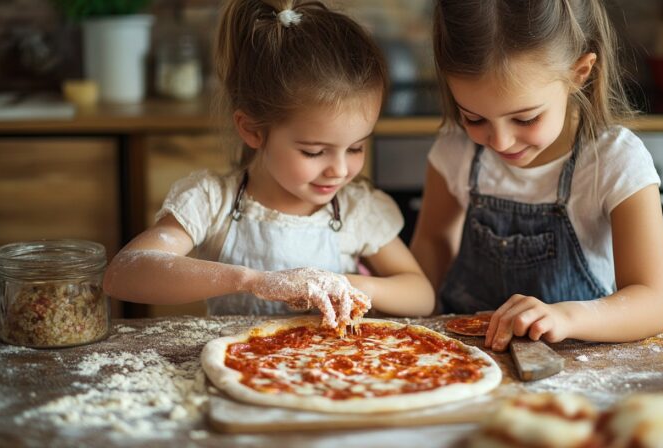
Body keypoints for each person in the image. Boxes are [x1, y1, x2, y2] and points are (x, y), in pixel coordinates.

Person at [104, 0, 434, 329]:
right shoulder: (213, 201)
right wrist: (252, 281)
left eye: (356, 147)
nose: (340, 169)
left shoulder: (355, 210)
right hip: (239, 364)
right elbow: (124, 274)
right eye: (314, 152)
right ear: (253, 130)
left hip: (331, 372)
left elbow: (421, 295)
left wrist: (347, 283)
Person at [410, 0, 663, 350]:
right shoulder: (455, 151)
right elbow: (432, 245)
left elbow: (652, 303)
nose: (500, 141)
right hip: (464, 359)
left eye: (525, 118)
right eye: (474, 118)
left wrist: (565, 317)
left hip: (572, 367)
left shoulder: (614, 162)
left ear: (580, 71)